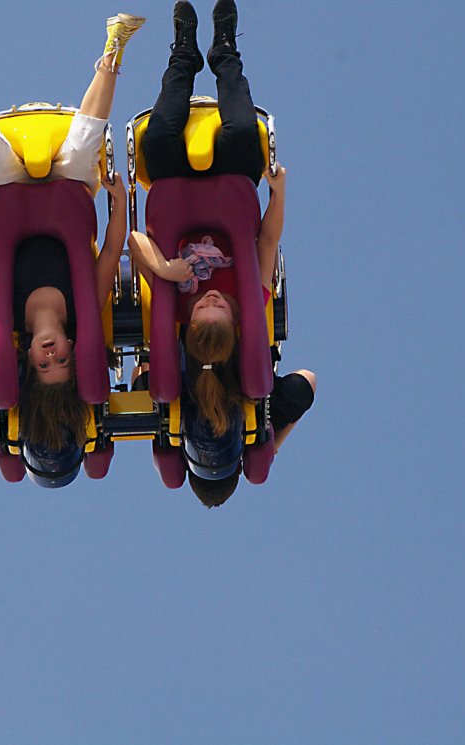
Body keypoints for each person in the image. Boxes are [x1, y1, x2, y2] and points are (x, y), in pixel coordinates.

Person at [126, 0, 315, 506]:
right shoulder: (250, 304)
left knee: (160, 138)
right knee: (242, 133)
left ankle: (182, 54)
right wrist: (269, 437)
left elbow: (135, 242)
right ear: (232, 325)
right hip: (231, 188)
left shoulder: (178, 317)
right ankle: (224, 50)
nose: (210, 299)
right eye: (217, 306)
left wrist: (167, 269)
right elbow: (267, 242)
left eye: (204, 306)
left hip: (175, 193)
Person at [0, 15, 142, 453]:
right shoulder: (85, 304)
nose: (52, 354)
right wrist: (117, 200)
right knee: (85, 141)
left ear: (29, 359)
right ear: (73, 346)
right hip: (65, 192)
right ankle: (113, 48)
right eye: (63, 360)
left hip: (10, 196)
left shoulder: (7, 312)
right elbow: (112, 249)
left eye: (45, 364)